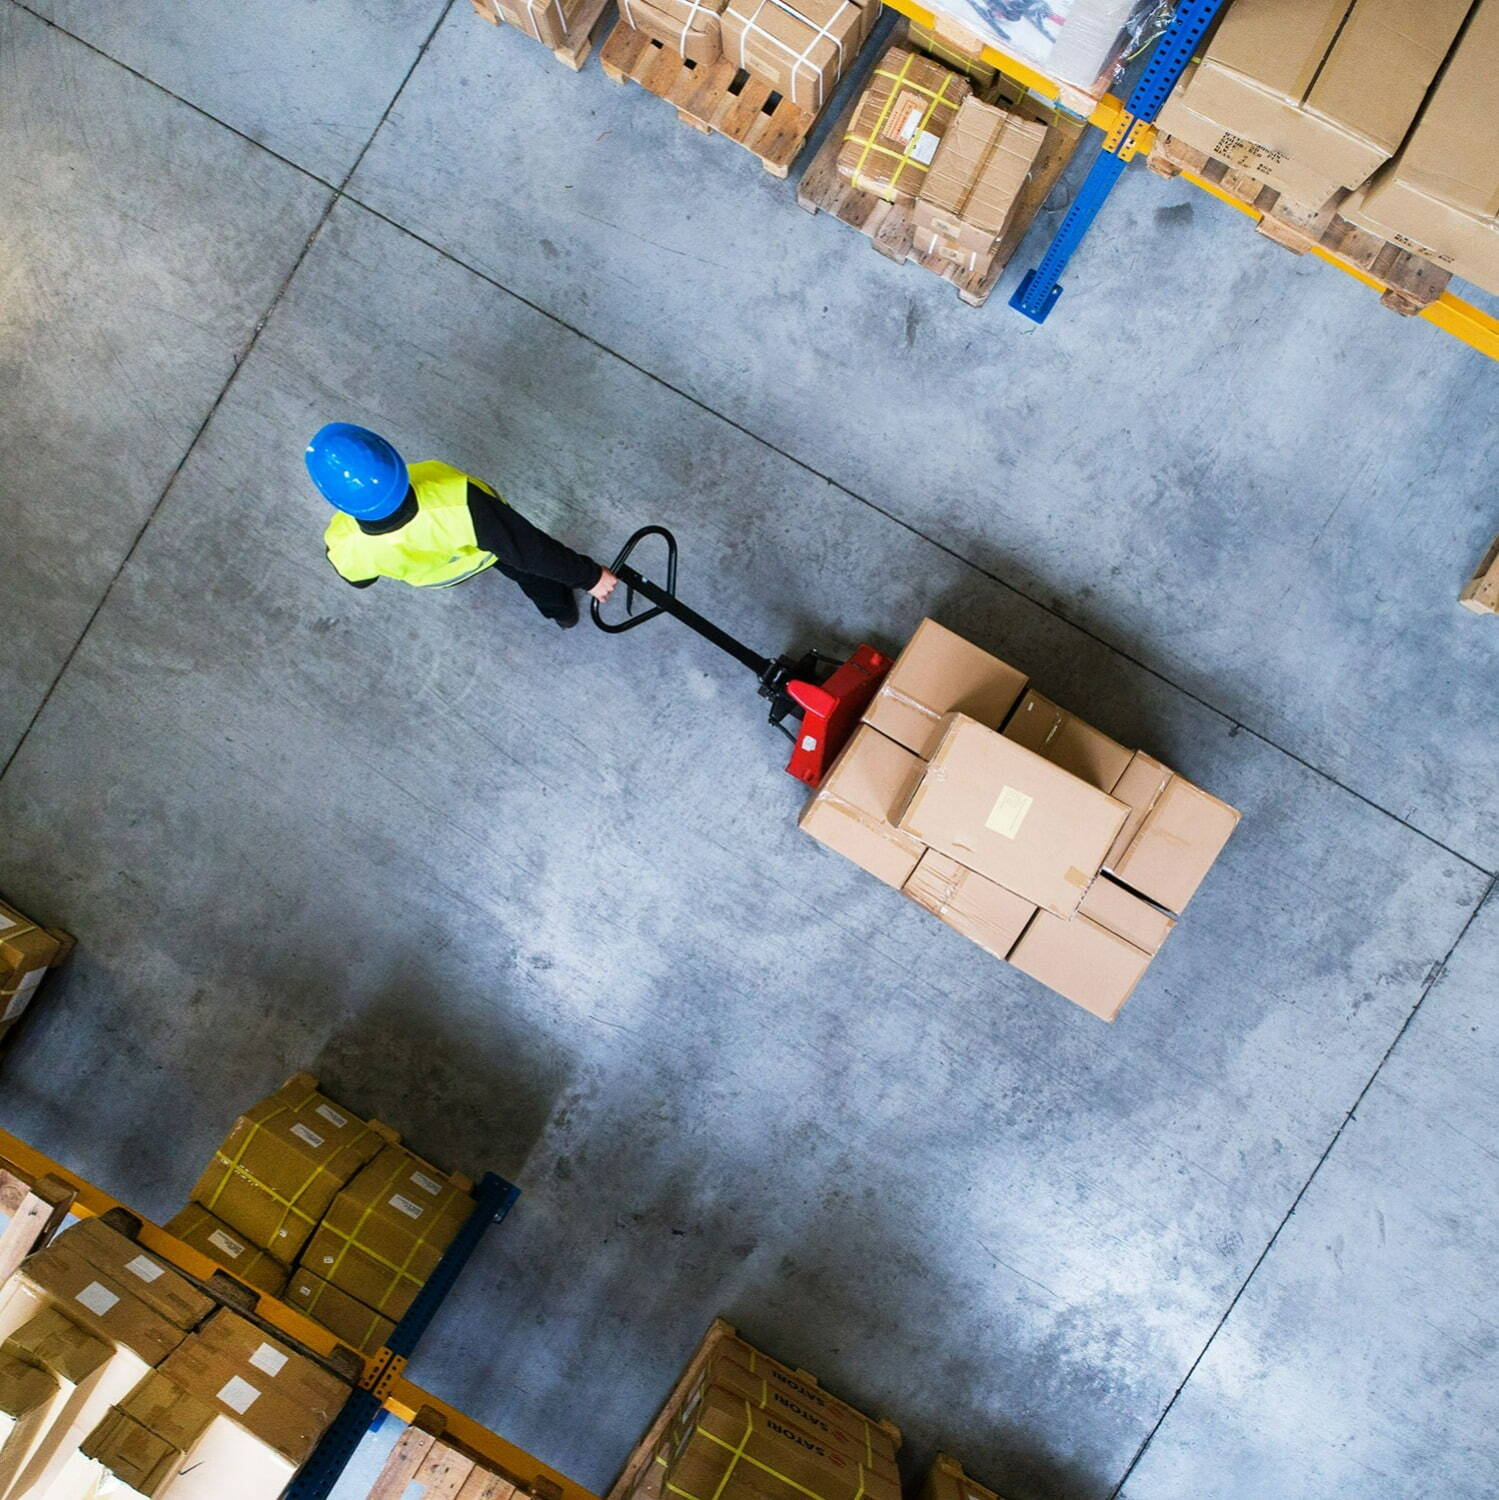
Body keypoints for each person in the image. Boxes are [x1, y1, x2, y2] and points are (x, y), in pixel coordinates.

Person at [306, 423, 618, 628]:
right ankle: (561, 611)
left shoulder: (343, 543)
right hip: (486, 552)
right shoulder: (460, 504)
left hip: (442, 575)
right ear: (393, 462)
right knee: (531, 574)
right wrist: (589, 577)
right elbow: (531, 551)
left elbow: (360, 580)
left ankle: (561, 615)